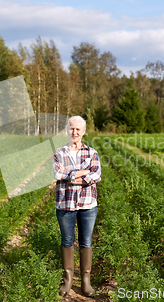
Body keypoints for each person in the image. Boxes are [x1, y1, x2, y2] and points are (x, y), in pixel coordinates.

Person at [52, 115, 101, 297]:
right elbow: (58, 173)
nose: (74, 132)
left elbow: (96, 175)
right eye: (71, 129)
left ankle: (86, 282)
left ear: (83, 131)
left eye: (78, 129)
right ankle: (68, 280)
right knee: (67, 241)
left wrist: (71, 176)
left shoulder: (92, 153)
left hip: (88, 204)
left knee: (86, 241)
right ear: (67, 130)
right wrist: (81, 173)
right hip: (65, 204)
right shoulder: (59, 152)